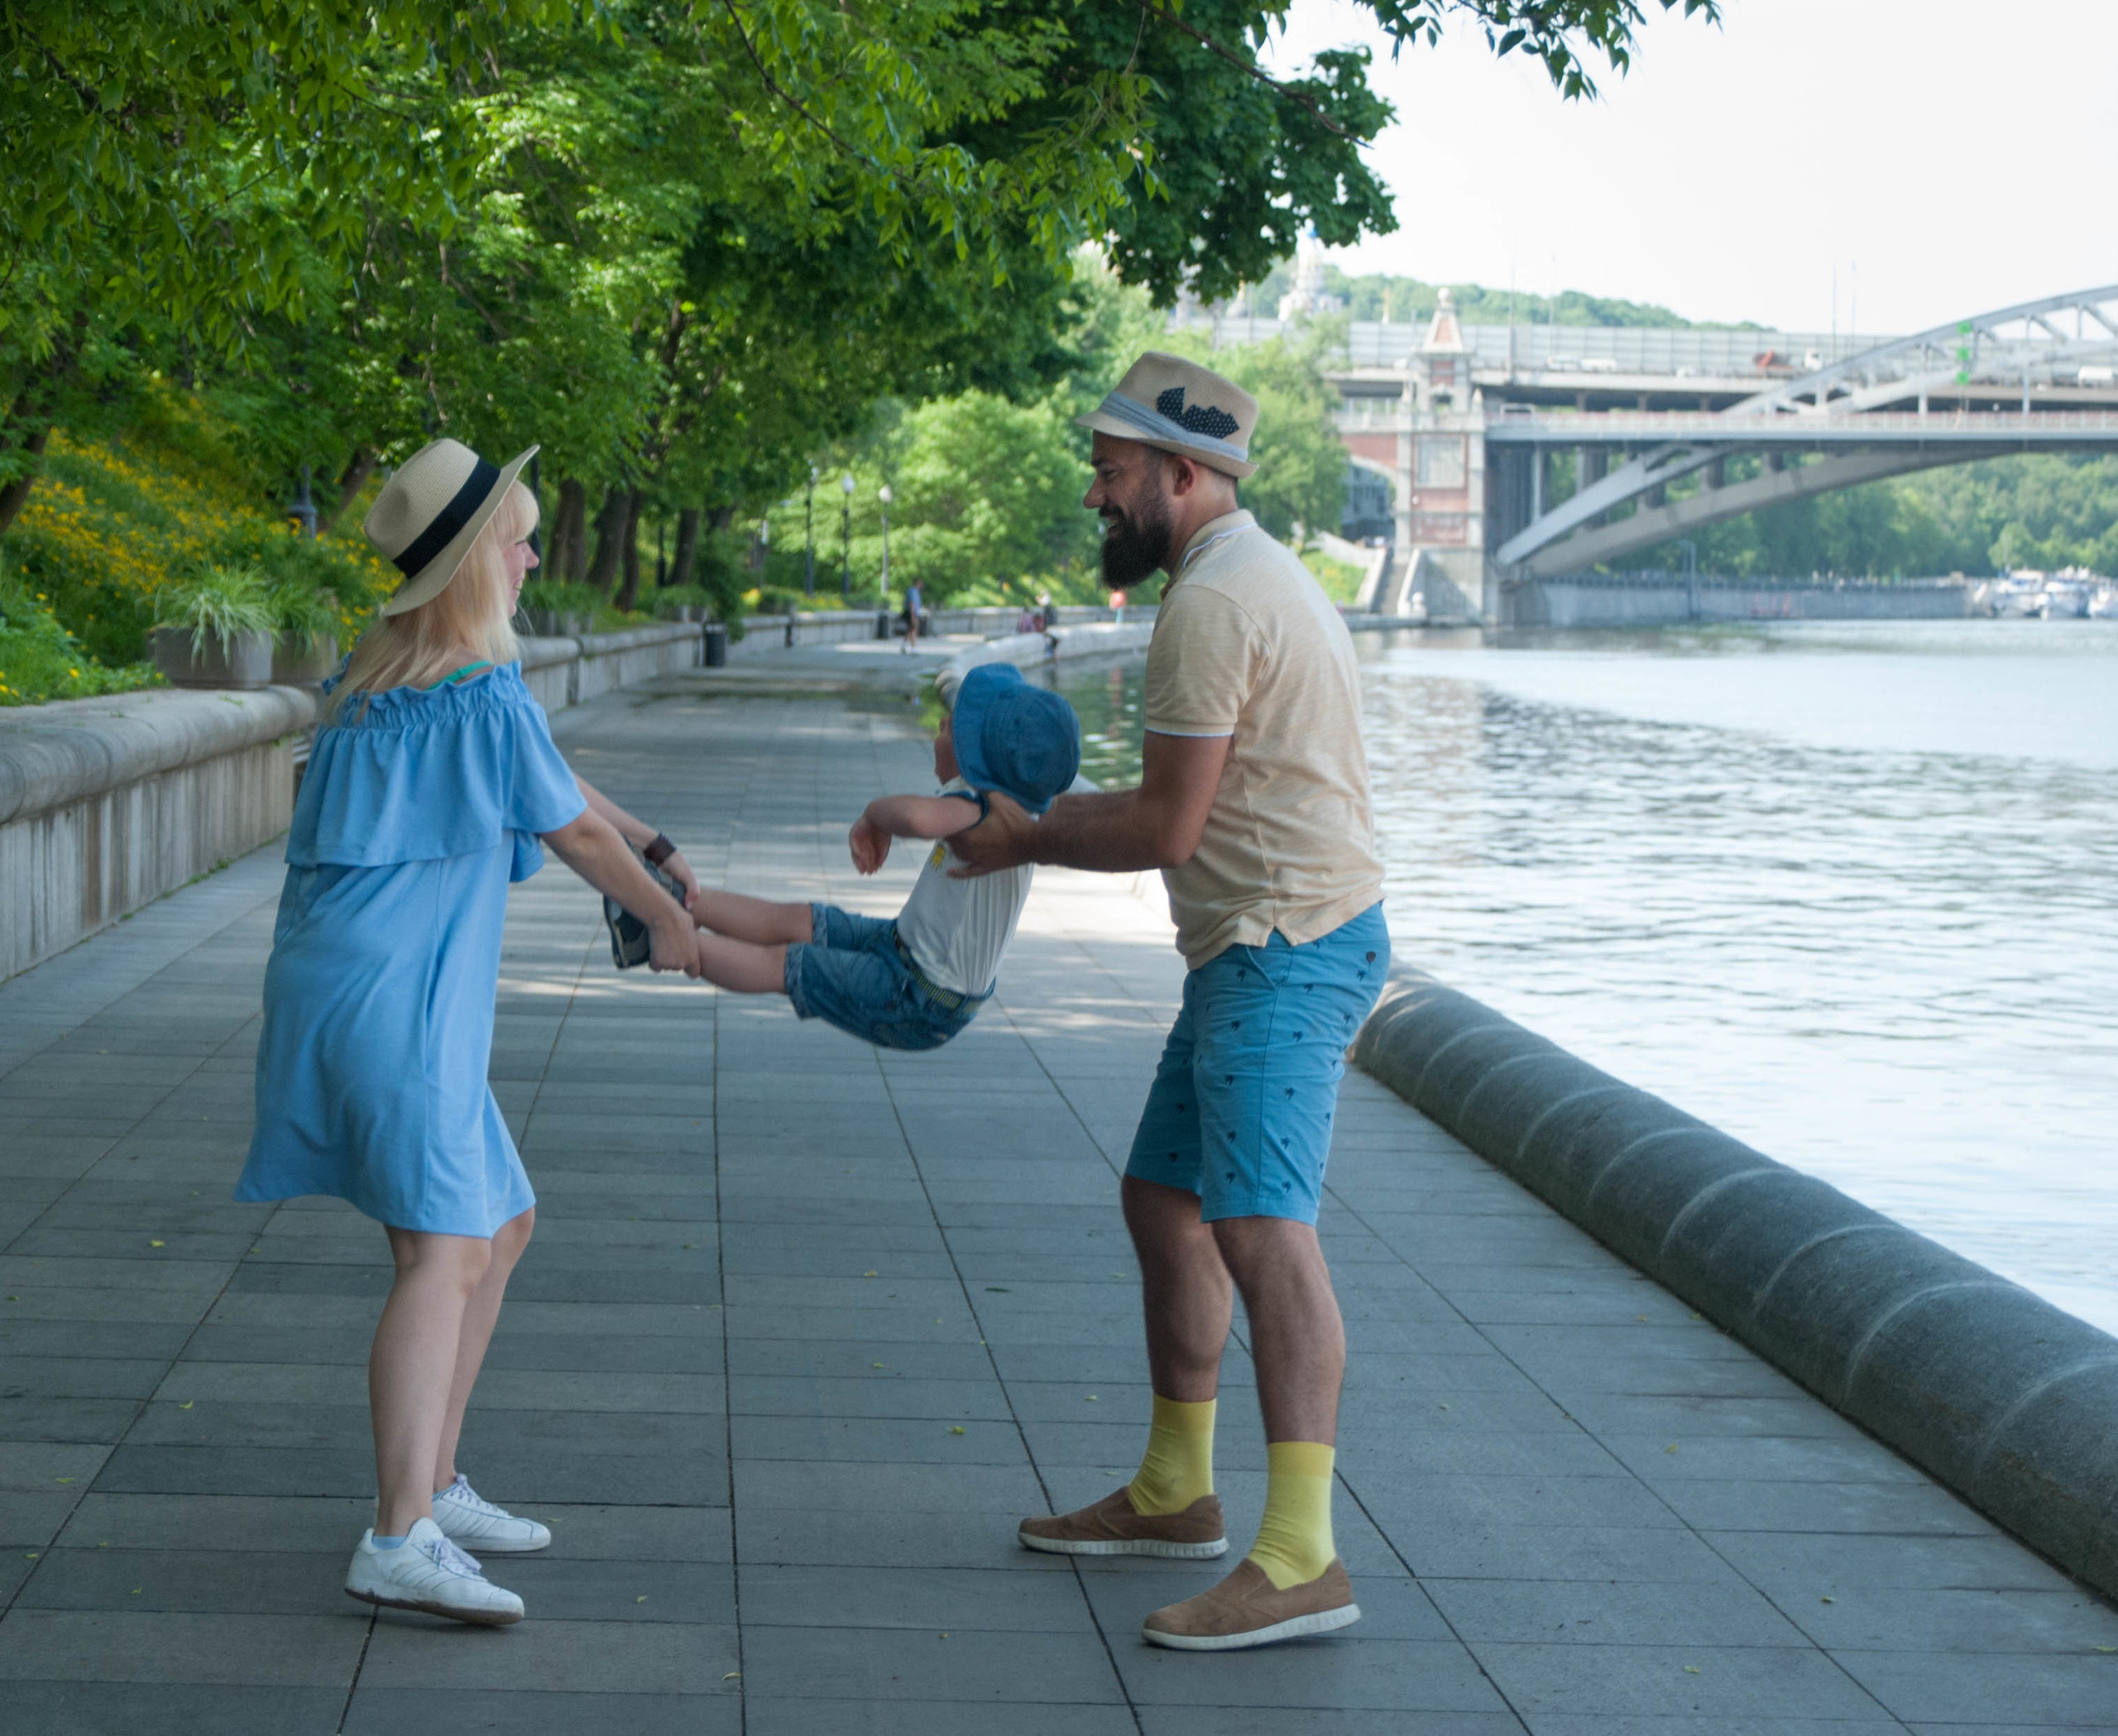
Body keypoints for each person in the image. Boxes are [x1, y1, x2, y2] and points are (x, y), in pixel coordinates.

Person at [951, 352, 1388, 1652]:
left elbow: (1163, 823)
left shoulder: (1212, 604)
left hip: (1282, 945)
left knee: (1264, 1230)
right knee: (1165, 1196)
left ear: (1181, 476)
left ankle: (1303, 1553)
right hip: (1264, 941)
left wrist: (1018, 837)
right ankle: (1171, 1491)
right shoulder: (1236, 574)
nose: (1097, 493)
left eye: (1111, 470)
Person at [234, 439, 703, 1628]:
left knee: (500, 1222)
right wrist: (667, 920)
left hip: (359, 993)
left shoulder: (380, 677)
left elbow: (561, 788)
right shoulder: (475, 691)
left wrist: (648, 839)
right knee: (442, 1251)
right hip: (394, 1004)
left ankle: (433, 1488)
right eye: (519, 536)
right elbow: (570, 834)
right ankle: (398, 1530)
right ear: (472, 570)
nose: (535, 552)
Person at [678, 662, 1078, 1049]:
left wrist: (875, 816)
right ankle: (675, 896)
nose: (940, 726)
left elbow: (918, 818)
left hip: (921, 997)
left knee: (784, 963)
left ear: (976, 761)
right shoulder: (1015, 810)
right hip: (903, 951)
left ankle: (657, 926)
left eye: (952, 725)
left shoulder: (979, 812)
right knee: (799, 920)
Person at [901, 578, 923, 651]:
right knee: (913, 630)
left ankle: (904, 645)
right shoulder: (913, 591)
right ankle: (913, 647)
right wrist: (912, 615)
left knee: (910, 630)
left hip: (913, 613)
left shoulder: (915, 591)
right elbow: (912, 603)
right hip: (912, 613)